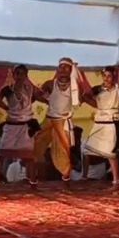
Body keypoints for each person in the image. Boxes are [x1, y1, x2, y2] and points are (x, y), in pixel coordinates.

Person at [0, 65, 47, 187]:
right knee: (2, 154)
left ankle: (32, 181)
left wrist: (49, 102)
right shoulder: (7, 89)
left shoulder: (30, 89)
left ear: (26, 76)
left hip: (25, 126)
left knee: (29, 156)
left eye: (22, 74)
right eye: (17, 73)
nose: (19, 76)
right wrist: (6, 108)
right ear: (13, 75)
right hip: (11, 126)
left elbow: (38, 97)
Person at [34, 57, 81, 187]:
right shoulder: (50, 84)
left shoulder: (74, 86)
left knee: (63, 152)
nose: (63, 70)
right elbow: (37, 95)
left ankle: (66, 179)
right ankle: (32, 177)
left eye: (66, 67)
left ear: (71, 70)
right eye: (61, 67)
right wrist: (47, 101)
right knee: (37, 144)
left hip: (63, 121)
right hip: (49, 119)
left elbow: (79, 100)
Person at [82, 66, 119, 190]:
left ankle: (116, 181)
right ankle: (85, 178)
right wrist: (99, 106)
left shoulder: (118, 90)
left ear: (114, 77)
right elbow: (85, 97)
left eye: (109, 76)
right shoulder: (97, 89)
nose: (106, 78)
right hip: (99, 123)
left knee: (110, 154)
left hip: (111, 123)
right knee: (89, 151)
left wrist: (117, 110)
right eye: (105, 76)